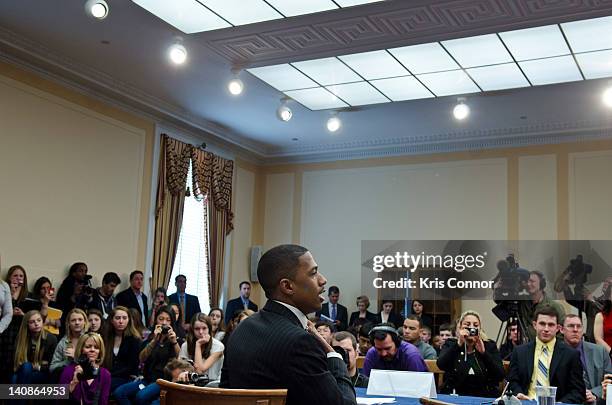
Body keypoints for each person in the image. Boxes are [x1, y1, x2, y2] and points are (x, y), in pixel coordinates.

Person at [221, 244, 357, 405]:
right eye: (313, 273)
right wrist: (335, 357)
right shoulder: (300, 342)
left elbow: (224, 393)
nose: (323, 280)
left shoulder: (242, 329)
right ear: (287, 286)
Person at [508, 305, 585, 403]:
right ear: (535, 325)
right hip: (526, 402)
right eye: (542, 324)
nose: (546, 329)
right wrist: (518, 395)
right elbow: (512, 382)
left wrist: (559, 404)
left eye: (551, 325)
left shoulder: (571, 355)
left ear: (557, 328)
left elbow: (578, 391)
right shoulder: (519, 352)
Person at [114, 305, 180, 405]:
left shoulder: (176, 339)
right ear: (156, 320)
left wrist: (174, 342)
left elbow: (181, 360)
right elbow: (141, 358)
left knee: (141, 397)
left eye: (168, 320)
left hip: (163, 382)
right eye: (161, 319)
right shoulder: (150, 338)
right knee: (119, 393)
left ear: (172, 323)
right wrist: (154, 340)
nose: (164, 323)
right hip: (147, 379)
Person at [437, 310, 505, 397]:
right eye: (467, 325)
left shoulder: (489, 345)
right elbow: (441, 365)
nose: (471, 328)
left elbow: (499, 375)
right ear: (460, 327)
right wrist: (458, 344)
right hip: (455, 395)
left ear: (480, 329)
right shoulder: (451, 343)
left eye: (475, 325)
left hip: (484, 395)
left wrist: (484, 353)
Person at [562, 314, 612, 403]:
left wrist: (594, 394)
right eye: (570, 326)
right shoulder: (556, 352)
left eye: (579, 326)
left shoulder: (600, 351)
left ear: (583, 330)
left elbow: (610, 380)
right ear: (561, 329)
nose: (575, 330)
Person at [59, 332, 111, 405]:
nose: (92, 350)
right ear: (81, 349)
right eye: (88, 347)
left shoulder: (105, 374)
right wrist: (73, 383)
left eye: (96, 347)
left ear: (100, 351)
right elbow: (59, 401)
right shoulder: (68, 371)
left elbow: (103, 402)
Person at [362, 323, 427, 377]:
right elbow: (366, 383)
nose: (383, 353)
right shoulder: (372, 353)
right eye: (379, 349)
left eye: (387, 348)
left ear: (397, 343)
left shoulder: (411, 355)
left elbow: (419, 387)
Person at [103, 306, 141, 392]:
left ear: (129, 320)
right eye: (117, 318)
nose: (121, 321)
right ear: (112, 320)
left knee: (102, 385)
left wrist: (109, 375)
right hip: (109, 376)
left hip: (127, 377)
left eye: (124, 318)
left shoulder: (134, 339)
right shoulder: (106, 337)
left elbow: (132, 366)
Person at [12, 310, 57, 384]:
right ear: (27, 324)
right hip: (25, 370)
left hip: (42, 373)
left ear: (42, 322)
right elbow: (17, 361)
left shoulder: (51, 338)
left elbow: (51, 364)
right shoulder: (21, 338)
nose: (36, 324)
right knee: (17, 376)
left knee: (18, 375)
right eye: (32, 322)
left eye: (39, 320)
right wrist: (36, 364)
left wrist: (38, 367)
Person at [519, 271, 566, 341]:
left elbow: (563, 332)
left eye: (532, 281)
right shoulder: (521, 303)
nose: (528, 284)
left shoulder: (555, 306)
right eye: (527, 282)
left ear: (541, 284)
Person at [0, 265, 27, 383]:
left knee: (11, 366)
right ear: (9, 277)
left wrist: (22, 315)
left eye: (21, 276)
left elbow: (33, 317)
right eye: (15, 275)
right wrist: (12, 295)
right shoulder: (4, 290)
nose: (18, 278)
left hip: (19, 334)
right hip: (4, 331)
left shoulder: (27, 297)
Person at [179, 313, 224, 380]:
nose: (201, 332)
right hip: (190, 384)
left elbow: (200, 371)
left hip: (212, 385)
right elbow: (180, 368)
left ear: (209, 329)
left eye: (204, 328)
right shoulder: (186, 345)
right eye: (197, 329)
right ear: (192, 330)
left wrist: (198, 345)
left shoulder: (218, 346)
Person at [51, 308, 89, 379]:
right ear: (68, 323)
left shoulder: (90, 339)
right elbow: (52, 367)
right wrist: (67, 361)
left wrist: (76, 357)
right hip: (65, 377)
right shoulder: (63, 342)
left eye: (80, 320)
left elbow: (94, 365)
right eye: (73, 320)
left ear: (85, 322)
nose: (77, 322)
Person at [56, 262, 93, 333]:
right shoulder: (67, 284)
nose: (84, 273)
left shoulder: (85, 284)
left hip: (81, 318)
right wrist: (75, 294)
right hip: (66, 319)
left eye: (85, 271)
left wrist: (88, 297)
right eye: (81, 271)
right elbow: (63, 304)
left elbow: (88, 304)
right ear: (73, 273)